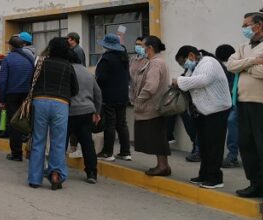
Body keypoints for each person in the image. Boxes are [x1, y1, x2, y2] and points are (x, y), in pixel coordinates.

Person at [227, 12, 263, 206]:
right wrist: (251, 61)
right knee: (247, 145)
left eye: (246, 24)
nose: (243, 28)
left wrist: (243, 66)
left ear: (258, 25)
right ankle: (255, 184)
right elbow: (231, 65)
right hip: (243, 103)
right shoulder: (244, 47)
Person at [173, 46, 233, 189]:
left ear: (191, 55)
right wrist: (182, 80)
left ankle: (215, 177)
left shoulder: (209, 62)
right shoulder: (194, 66)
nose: (184, 65)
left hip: (216, 110)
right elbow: (189, 81)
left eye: (183, 62)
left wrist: (179, 81)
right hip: (202, 111)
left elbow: (203, 80)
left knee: (214, 146)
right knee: (204, 145)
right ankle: (204, 174)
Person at [28, 37, 79, 189]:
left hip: (40, 101)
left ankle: (35, 179)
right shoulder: (68, 66)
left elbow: (32, 82)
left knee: (38, 140)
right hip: (61, 104)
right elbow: (75, 89)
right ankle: (56, 175)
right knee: (58, 141)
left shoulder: (41, 63)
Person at [134, 36, 172, 176]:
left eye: (142, 46)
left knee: (156, 138)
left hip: (151, 107)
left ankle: (162, 166)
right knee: (158, 137)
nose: (140, 48)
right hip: (155, 106)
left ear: (149, 48)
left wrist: (139, 100)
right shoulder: (157, 62)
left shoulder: (155, 63)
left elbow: (150, 86)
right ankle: (163, 165)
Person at [95, 34, 132, 162]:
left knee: (109, 124)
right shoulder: (124, 58)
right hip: (122, 96)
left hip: (108, 96)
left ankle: (107, 152)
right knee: (121, 123)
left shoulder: (106, 59)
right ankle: (125, 152)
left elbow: (100, 78)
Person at [0, 35, 35, 162]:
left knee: (13, 123)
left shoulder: (8, 59)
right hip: (26, 93)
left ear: (11, 46)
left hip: (12, 94)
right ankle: (29, 150)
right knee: (24, 120)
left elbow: (2, 81)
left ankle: (16, 153)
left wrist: (2, 100)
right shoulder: (30, 58)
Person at [68, 51, 102, 183]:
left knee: (62, 141)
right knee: (87, 142)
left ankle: (57, 170)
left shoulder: (68, 70)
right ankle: (92, 173)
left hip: (70, 111)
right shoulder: (88, 73)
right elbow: (98, 93)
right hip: (87, 111)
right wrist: (97, 112)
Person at [215, 44, 240, 168]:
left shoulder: (235, 66)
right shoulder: (221, 67)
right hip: (229, 101)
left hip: (239, 101)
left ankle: (232, 155)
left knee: (231, 120)